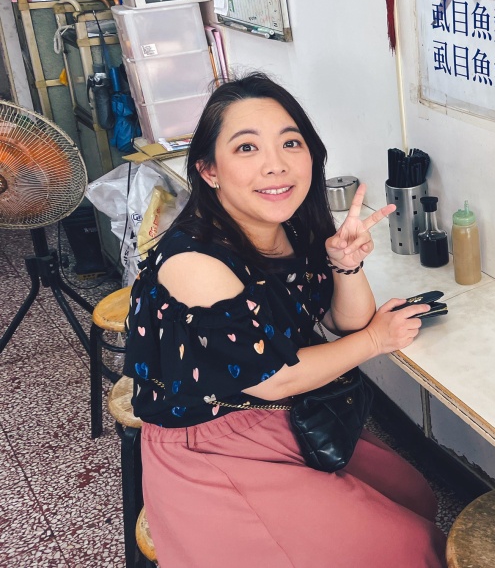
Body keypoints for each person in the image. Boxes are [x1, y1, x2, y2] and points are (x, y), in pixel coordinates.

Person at [124, 73, 445, 567]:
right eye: (247, 148)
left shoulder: (286, 224)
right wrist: (379, 339)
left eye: (290, 143)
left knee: (415, 497)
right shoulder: (196, 262)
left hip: (288, 416)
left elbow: (345, 324)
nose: (276, 165)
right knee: (405, 548)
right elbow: (275, 379)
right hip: (210, 445)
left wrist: (346, 264)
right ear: (210, 170)